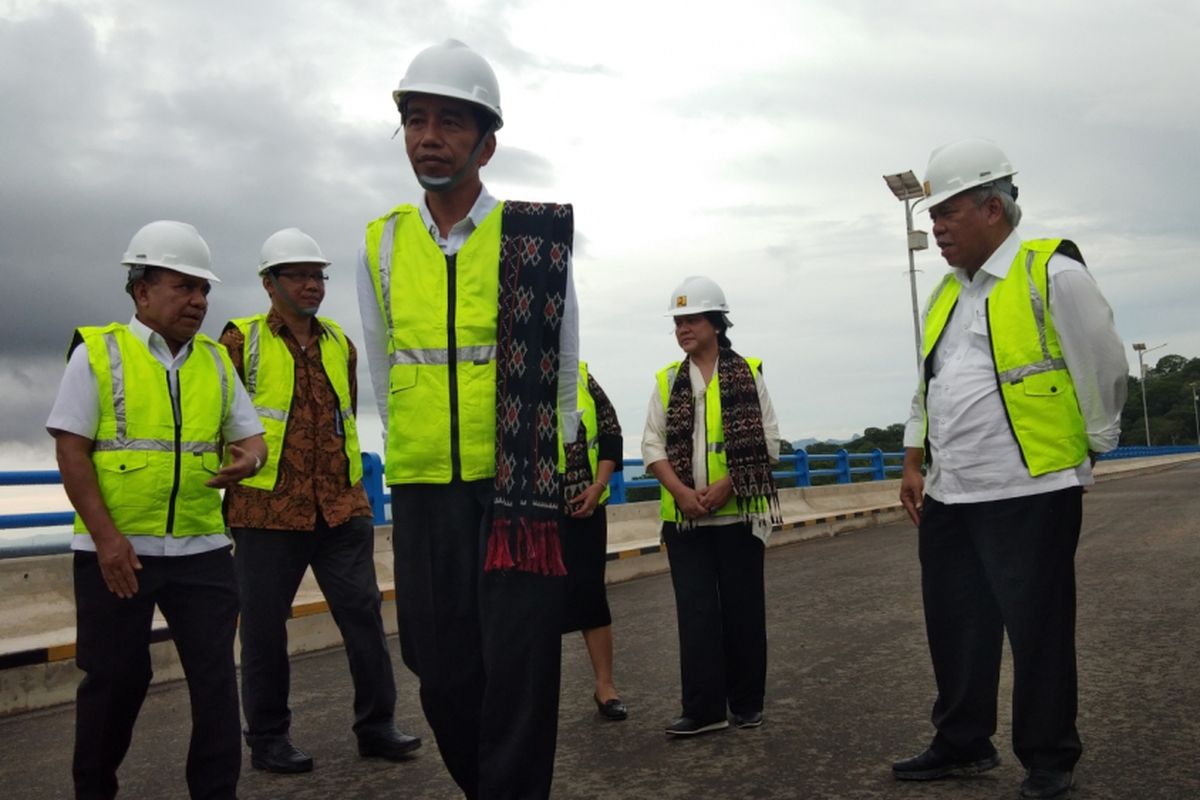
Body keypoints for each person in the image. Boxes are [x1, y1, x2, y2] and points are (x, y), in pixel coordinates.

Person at [356, 39, 580, 799]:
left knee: (520, 666)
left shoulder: (532, 233)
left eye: (450, 122)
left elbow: (562, 359)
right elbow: (385, 369)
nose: (429, 137)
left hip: (514, 485)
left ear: (487, 142)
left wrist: (556, 470)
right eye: (416, 120)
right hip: (424, 486)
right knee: (439, 665)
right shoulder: (381, 242)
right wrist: (407, 447)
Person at [893, 138, 1127, 800]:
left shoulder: (1052, 272)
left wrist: (1095, 447)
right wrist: (915, 459)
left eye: (947, 214)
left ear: (992, 207)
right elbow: (929, 386)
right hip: (951, 491)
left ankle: (1049, 759)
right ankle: (963, 742)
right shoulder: (944, 294)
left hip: (1030, 488)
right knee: (955, 624)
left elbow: (1103, 363)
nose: (935, 228)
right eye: (931, 218)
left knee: (1038, 630)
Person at [46, 220, 267, 800]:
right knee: (117, 680)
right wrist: (108, 539)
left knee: (217, 681)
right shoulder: (98, 353)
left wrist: (248, 461)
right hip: (116, 550)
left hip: (202, 548)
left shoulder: (217, 362)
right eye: (183, 287)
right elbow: (72, 449)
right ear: (141, 290)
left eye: (203, 290)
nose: (198, 301)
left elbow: (253, 440)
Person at [220, 228, 421, 775]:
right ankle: (267, 738)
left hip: (339, 507)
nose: (312, 286)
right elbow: (222, 418)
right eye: (299, 276)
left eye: (318, 276)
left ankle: (376, 725)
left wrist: (354, 492)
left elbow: (344, 420)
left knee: (364, 617)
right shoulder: (240, 340)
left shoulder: (340, 343)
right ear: (269, 282)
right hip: (267, 511)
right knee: (263, 628)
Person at [641, 276, 781, 737]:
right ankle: (703, 709)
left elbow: (769, 443)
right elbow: (652, 446)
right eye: (678, 321)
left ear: (716, 323)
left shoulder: (748, 372)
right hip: (684, 519)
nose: (683, 328)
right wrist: (682, 493)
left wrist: (729, 486)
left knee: (743, 609)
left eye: (692, 319)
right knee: (696, 614)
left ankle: (746, 703)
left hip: (739, 513)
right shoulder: (666, 381)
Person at [559, 362, 627, 721]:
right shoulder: (505, 373)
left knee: (589, 594)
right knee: (531, 603)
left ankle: (606, 686)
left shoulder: (581, 374)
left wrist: (598, 486)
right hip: (528, 514)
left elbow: (611, 435)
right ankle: (534, 693)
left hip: (583, 505)